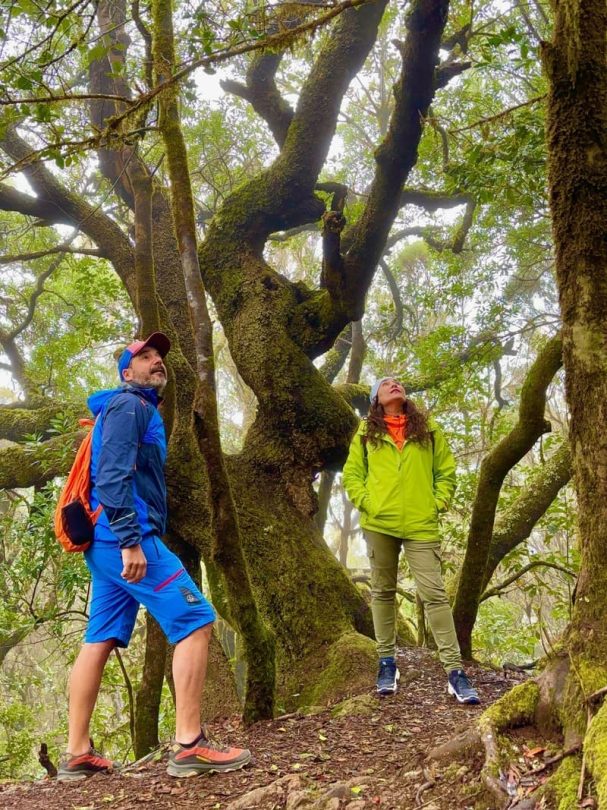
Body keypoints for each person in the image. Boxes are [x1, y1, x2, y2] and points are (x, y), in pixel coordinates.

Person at [58, 332, 251, 781]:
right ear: (128, 373)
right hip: (124, 537)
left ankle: (77, 753)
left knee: (100, 636)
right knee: (197, 620)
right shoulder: (131, 406)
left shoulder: (126, 408)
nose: (156, 361)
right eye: (144, 357)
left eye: (159, 355)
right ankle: (189, 745)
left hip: (104, 543)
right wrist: (130, 540)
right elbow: (111, 477)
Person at [342, 377, 479, 704]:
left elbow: (445, 471)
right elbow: (352, 474)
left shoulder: (427, 429)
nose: (394, 384)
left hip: (421, 523)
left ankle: (455, 671)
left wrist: (438, 503)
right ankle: (387, 662)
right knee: (383, 591)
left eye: (398, 382)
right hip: (380, 522)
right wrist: (368, 502)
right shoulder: (366, 432)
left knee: (434, 593)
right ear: (376, 399)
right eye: (385, 383)